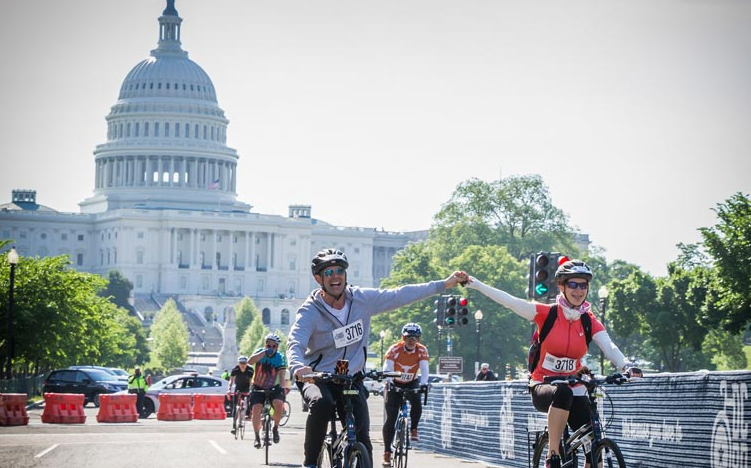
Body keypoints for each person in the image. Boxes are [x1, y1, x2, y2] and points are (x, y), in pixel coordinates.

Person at [287, 248, 466, 468]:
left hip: (350, 378)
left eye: (340, 270)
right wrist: (298, 367)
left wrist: (444, 284)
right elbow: (296, 342)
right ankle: (310, 463)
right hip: (318, 377)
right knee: (322, 404)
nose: (336, 276)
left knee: (362, 439)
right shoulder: (310, 311)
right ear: (319, 279)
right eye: (329, 272)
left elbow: (400, 294)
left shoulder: (362, 300)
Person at [464, 260, 641, 468]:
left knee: (594, 450)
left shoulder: (588, 320)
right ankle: (552, 454)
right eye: (573, 285)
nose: (578, 290)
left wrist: (626, 366)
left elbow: (608, 346)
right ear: (562, 286)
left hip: (574, 387)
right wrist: (476, 284)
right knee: (563, 392)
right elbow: (510, 302)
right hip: (543, 385)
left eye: (583, 285)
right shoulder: (547, 314)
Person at [381, 323, 430, 467]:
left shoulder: (421, 351)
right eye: (409, 337)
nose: (411, 340)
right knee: (391, 418)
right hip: (395, 382)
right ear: (403, 337)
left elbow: (424, 369)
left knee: (417, 401)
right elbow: (387, 367)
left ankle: (413, 428)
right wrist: (389, 381)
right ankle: (386, 452)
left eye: (415, 338)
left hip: (411, 382)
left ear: (418, 339)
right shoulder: (395, 349)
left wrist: (424, 384)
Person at [248, 333, 289, 448]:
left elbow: (281, 375)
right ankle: (256, 436)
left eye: (273, 346)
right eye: (268, 345)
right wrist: (263, 353)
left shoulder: (280, 357)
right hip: (258, 386)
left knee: (278, 404)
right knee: (256, 409)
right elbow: (250, 362)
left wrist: (283, 389)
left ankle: (275, 427)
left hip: (274, 387)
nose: (271, 348)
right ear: (265, 345)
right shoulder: (260, 352)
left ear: (277, 347)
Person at [227, 355, 254, 435]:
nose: (242, 365)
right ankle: (234, 426)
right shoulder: (235, 369)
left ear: (246, 363)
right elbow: (231, 381)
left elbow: (252, 381)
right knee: (235, 407)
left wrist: (251, 390)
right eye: (241, 363)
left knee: (249, 399)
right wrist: (229, 389)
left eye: (244, 363)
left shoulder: (250, 370)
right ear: (238, 363)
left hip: (246, 388)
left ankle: (248, 413)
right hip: (238, 388)